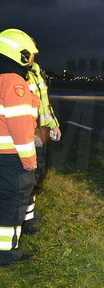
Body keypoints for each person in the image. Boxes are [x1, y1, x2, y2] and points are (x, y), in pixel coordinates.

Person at [0, 28, 39, 266]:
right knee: (12, 206)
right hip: (12, 159)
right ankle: (6, 254)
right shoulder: (14, 83)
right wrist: (30, 163)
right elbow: (21, 130)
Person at [20, 31, 61, 235]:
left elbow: (44, 104)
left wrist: (53, 125)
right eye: (30, 53)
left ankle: (29, 218)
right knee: (26, 178)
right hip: (25, 134)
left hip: (41, 133)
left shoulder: (36, 72)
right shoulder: (16, 74)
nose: (33, 57)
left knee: (38, 175)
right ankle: (21, 219)